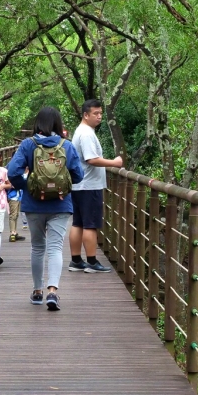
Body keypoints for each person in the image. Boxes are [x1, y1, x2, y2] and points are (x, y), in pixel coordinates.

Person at [7, 107, 84, 311]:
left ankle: (37, 291)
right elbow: (78, 175)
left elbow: (12, 172)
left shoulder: (28, 144)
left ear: (38, 123)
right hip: (60, 203)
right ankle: (53, 292)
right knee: (55, 247)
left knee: (38, 247)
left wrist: (28, 186)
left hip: (33, 204)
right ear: (58, 123)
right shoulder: (66, 145)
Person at [69, 99, 123, 273]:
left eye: (100, 113)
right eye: (95, 114)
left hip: (79, 185)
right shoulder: (86, 133)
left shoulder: (81, 131)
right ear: (86, 115)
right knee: (90, 224)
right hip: (89, 185)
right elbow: (91, 159)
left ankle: (76, 260)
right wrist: (114, 163)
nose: (99, 117)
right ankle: (91, 262)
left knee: (78, 223)